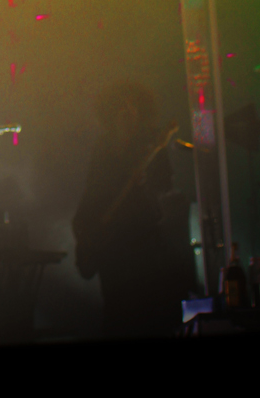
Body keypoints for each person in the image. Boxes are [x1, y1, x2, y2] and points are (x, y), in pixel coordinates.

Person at [72, 81, 187, 338]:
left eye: (132, 104)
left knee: (147, 313)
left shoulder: (152, 141)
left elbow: (165, 189)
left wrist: (145, 186)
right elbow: (92, 191)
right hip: (112, 247)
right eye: (121, 105)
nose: (127, 109)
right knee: (117, 313)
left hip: (143, 244)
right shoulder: (103, 146)